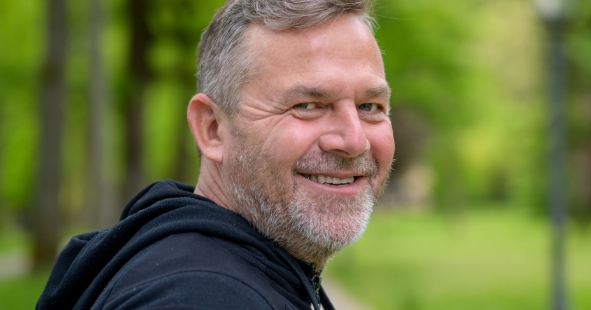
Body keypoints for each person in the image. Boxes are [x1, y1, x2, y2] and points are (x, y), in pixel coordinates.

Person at [36, 0, 394, 309]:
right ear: (211, 129)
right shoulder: (198, 297)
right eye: (307, 105)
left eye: (370, 106)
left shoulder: (216, 269)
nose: (354, 140)